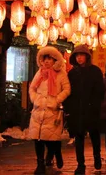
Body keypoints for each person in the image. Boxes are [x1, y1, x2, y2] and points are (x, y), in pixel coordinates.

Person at [28, 46, 71, 175]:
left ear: (55, 60)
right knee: (38, 138)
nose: (46, 62)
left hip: (52, 111)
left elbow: (66, 89)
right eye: (44, 59)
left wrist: (57, 100)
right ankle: (40, 164)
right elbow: (32, 88)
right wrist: (35, 99)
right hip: (38, 110)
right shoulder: (40, 72)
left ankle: (55, 153)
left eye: (49, 59)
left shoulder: (61, 73)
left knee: (51, 139)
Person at [64, 44, 104, 175]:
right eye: (77, 55)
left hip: (92, 109)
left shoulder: (95, 71)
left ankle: (97, 157)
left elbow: (100, 91)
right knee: (79, 137)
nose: (79, 58)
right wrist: (68, 108)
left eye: (81, 55)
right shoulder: (72, 73)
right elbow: (68, 92)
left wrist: (95, 105)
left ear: (87, 57)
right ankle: (80, 164)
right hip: (77, 110)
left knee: (94, 135)